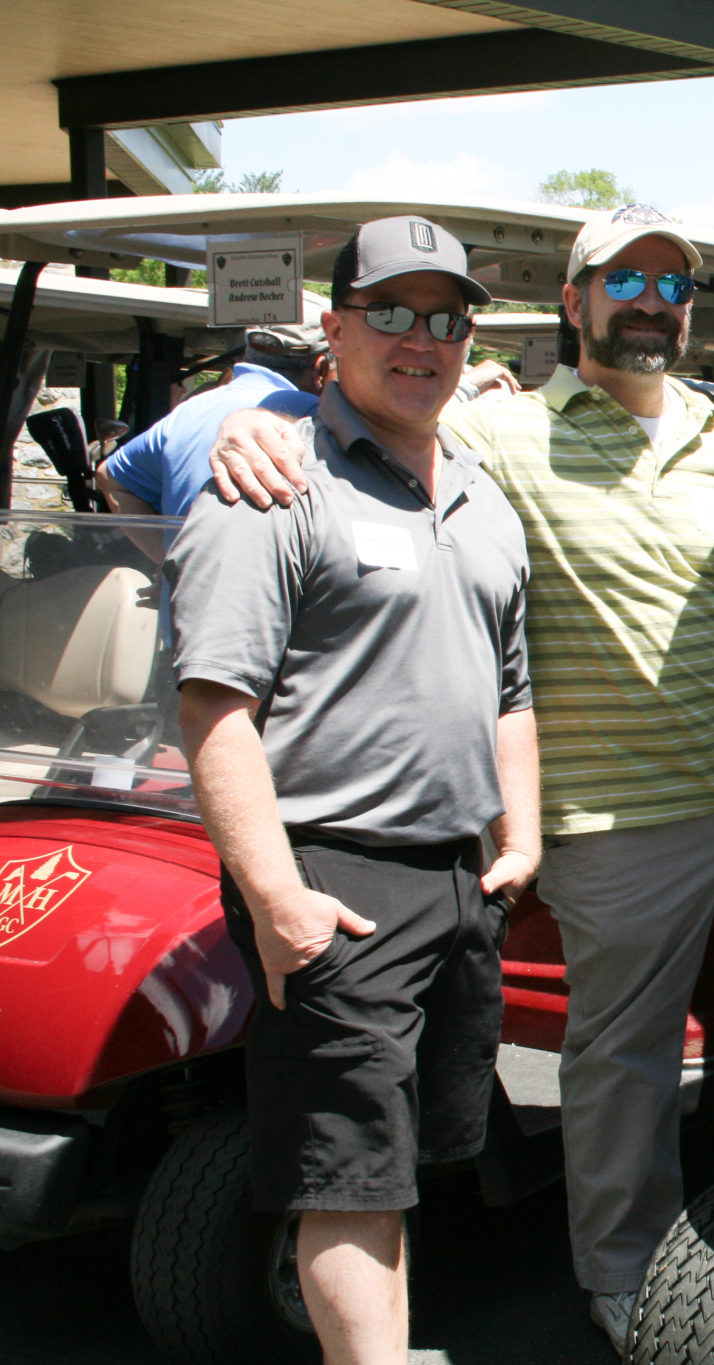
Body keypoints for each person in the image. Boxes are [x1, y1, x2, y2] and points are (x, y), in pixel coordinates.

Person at [206, 203, 714, 1357]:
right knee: (625, 1054)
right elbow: (376, 418)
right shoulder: (500, 433)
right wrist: (265, 425)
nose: (649, 306)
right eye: (621, 285)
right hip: (616, 812)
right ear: (573, 305)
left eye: (671, 289)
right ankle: (625, 1273)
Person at [164, 216, 538, 1365]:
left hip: (458, 879)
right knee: (348, 1183)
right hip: (334, 877)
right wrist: (278, 900)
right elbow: (214, 708)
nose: (421, 339)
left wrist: (517, 832)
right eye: (390, 312)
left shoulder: (479, 493)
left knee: (407, 1161)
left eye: (445, 316)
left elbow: (509, 687)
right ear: (333, 330)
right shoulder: (269, 487)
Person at [97, 325, 330, 524]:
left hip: (184, 576)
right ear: (320, 369)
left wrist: (169, 557)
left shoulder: (188, 410)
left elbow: (109, 477)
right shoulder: (317, 415)